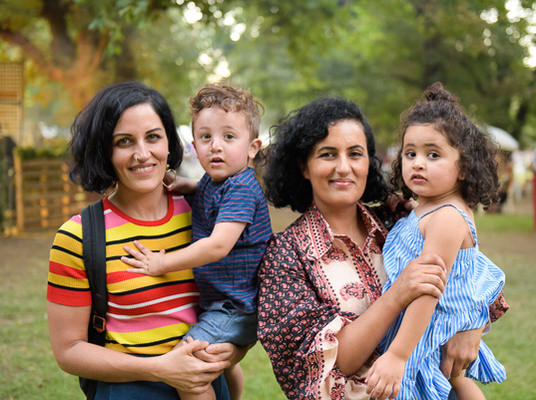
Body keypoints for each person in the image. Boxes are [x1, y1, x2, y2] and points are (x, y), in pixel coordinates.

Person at [257, 96, 508, 400]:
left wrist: (471, 327)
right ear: (304, 166)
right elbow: (331, 364)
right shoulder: (286, 255)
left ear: (369, 162)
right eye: (327, 154)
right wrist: (399, 292)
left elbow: (468, 273)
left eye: (355, 154)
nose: (344, 167)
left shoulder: (398, 219)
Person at [47, 82, 242, 400]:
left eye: (153, 137)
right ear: (104, 151)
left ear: (169, 142)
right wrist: (161, 368)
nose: (142, 154)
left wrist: (232, 352)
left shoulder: (208, 217)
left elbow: (238, 301)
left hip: (207, 386)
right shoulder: (79, 236)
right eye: (124, 141)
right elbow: (68, 351)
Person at [123, 83, 272, 400]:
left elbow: (218, 246)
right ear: (194, 145)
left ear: (252, 147)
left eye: (229, 137)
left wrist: (162, 262)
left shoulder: (242, 188)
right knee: (223, 365)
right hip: (222, 303)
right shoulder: (217, 180)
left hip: (235, 308)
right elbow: (199, 188)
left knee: (188, 370)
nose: (215, 146)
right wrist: (176, 182)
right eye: (206, 137)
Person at [366, 82, 507, 400]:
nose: (417, 162)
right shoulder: (427, 206)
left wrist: (399, 355)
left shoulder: (446, 216)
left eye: (433, 154)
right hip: (422, 328)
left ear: (463, 167)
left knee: (448, 383)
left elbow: (428, 290)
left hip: (428, 329)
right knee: (454, 383)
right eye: (410, 153)